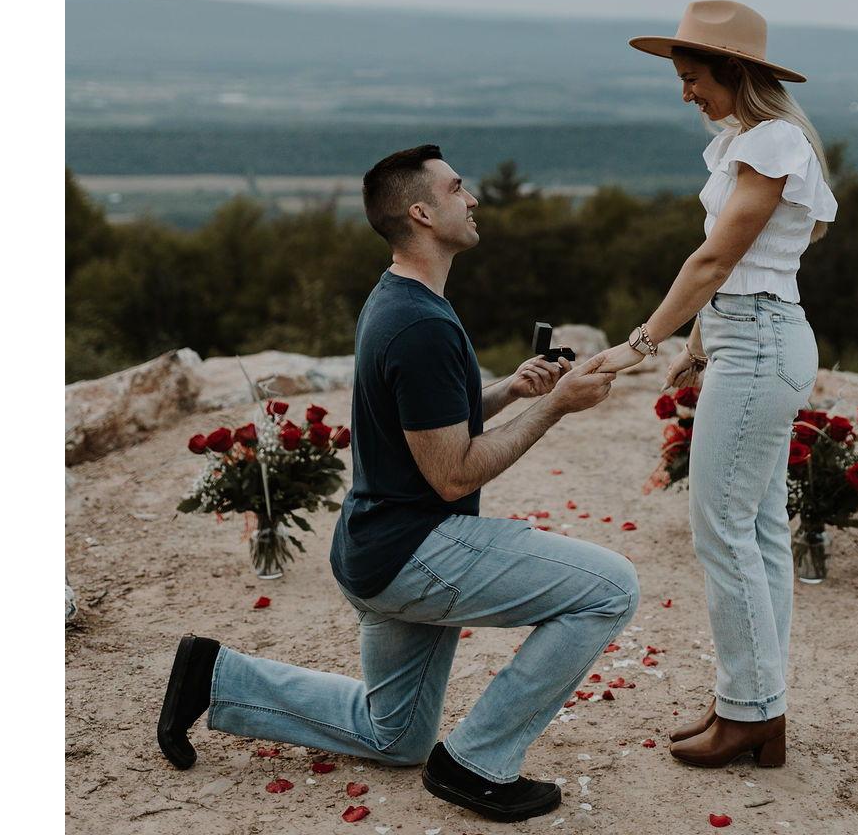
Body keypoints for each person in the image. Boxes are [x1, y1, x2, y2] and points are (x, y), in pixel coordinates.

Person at [157, 145, 634, 824]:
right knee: (611, 588)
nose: (472, 199)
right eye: (458, 188)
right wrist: (556, 406)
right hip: (415, 552)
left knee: (397, 736)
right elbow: (453, 474)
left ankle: (215, 676)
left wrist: (508, 390)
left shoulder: (400, 298)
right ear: (422, 213)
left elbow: (427, 428)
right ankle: (476, 763)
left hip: (376, 549)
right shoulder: (419, 326)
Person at [586, 0, 837, 771]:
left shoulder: (774, 142)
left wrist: (640, 343)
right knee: (754, 528)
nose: (685, 92)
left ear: (734, 71)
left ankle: (751, 711)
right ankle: (755, 703)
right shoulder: (746, 142)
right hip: (747, 337)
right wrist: (698, 345)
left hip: (761, 343)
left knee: (722, 528)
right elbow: (739, 265)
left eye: (693, 76)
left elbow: (716, 261)